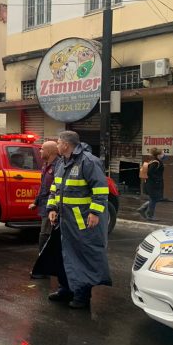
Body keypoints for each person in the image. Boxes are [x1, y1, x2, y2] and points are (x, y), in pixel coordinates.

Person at [46, 131, 111, 309]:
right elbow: (55, 188)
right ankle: (65, 289)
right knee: (64, 256)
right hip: (64, 221)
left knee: (82, 258)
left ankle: (82, 296)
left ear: (66, 145)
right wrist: (52, 208)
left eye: (58, 142)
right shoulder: (62, 162)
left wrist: (95, 213)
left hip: (81, 221)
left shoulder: (88, 161)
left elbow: (100, 189)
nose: (57, 145)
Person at [28, 140, 59, 279]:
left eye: (42, 149)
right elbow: (43, 186)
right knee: (46, 236)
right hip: (45, 205)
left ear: (50, 152)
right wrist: (35, 202)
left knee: (44, 236)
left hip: (52, 207)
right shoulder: (46, 166)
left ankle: (43, 270)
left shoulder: (59, 166)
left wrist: (54, 207)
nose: (39, 151)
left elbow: (57, 189)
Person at [137, 148, 165, 221]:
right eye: (162, 153)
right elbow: (150, 172)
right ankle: (150, 216)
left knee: (154, 199)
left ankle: (142, 209)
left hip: (153, 183)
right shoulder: (155, 162)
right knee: (154, 199)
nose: (164, 155)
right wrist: (157, 179)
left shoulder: (155, 161)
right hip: (153, 184)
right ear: (158, 155)